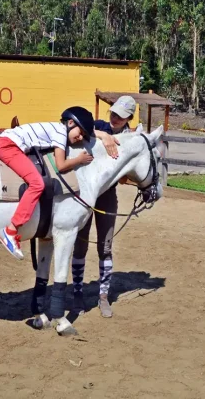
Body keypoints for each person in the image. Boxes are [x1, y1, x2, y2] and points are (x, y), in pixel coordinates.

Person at [0, 106, 95, 260]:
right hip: (8, 145)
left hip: (7, 142)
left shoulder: (57, 129)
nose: (80, 138)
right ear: (70, 123)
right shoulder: (61, 133)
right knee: (37, 183)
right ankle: (11, 230)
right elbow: (60, 165)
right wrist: (78, 160)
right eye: (80, 133)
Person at [71, 95, 137, 318]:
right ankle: (77, 294)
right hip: (85, 193)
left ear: (129, 118)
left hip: (107, 196)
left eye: (121, 116)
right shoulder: (98, 125)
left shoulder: (130, 138)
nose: (115, 118)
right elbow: (78, 132)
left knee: (105, 247)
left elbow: (125, 178)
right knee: (80, 245)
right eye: (114, 113)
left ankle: (103, 296)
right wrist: (103, 134)